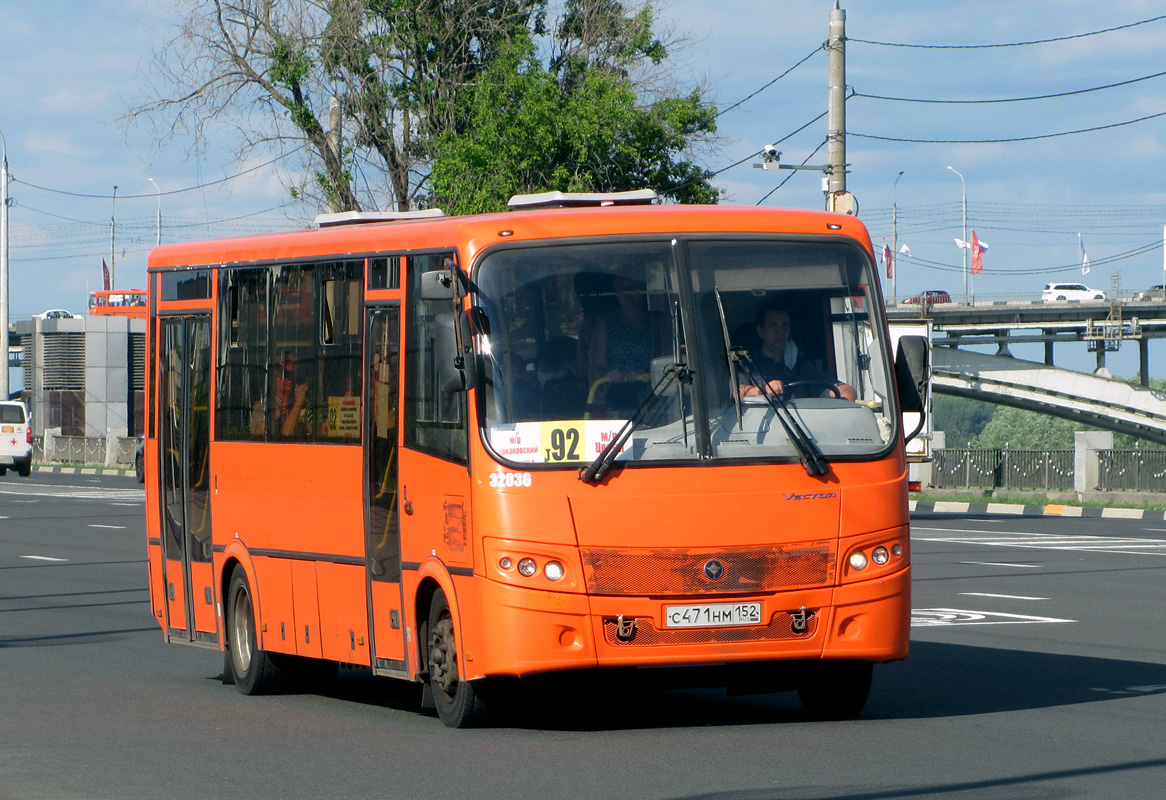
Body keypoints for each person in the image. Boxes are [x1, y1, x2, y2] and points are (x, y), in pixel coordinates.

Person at [738, 303, 857, 402]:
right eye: (773, 326)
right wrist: (765, 390)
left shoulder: (800, 365)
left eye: (784, 326)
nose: (780, 332)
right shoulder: (746, 364)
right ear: (761, 331)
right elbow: (737, 393)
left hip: (797, 429)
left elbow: (844, 388)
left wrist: (846, 401)